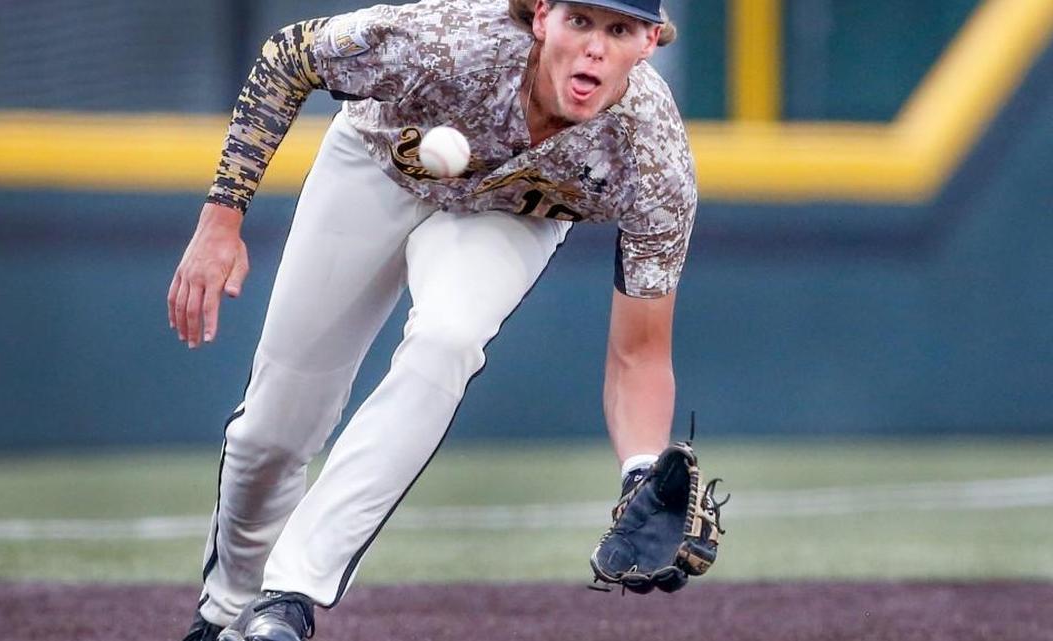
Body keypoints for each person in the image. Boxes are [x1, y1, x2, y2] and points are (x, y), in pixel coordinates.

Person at [168, 0, 701, 639]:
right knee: (272, 434)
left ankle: (290, 596)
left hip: (507, 218)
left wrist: (639, 470)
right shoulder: (448, 41)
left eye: (617, 29)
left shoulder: (654, 153)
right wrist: (221, 220)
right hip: (377, 165)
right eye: (578, 20)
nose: (594, 47)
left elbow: (640, 352)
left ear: (648, 42)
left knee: (448, 341)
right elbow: (289, 55)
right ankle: (224, 612)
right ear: (539, 17)